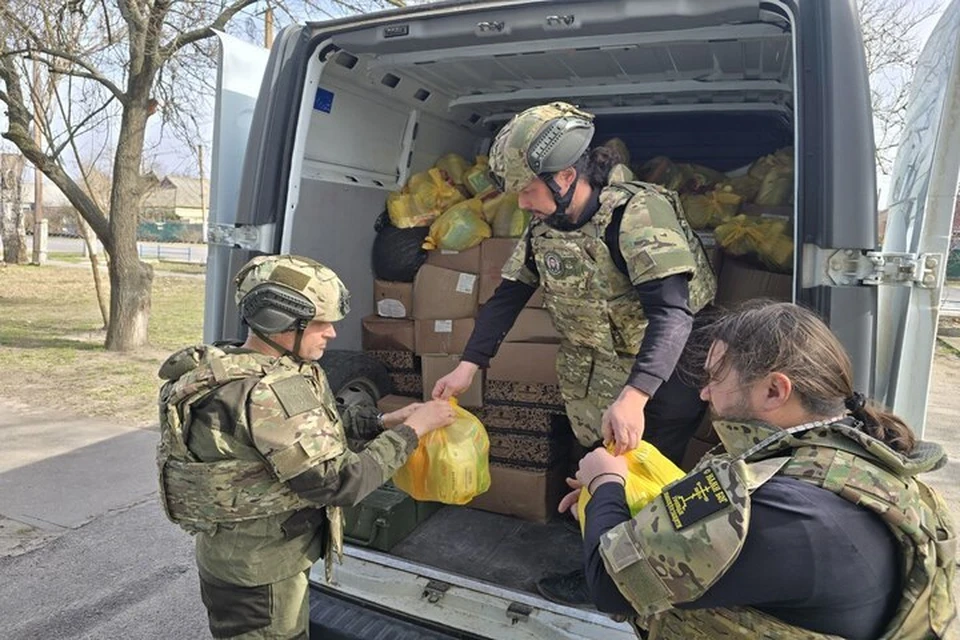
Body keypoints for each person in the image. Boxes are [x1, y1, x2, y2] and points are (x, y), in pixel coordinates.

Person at [431, 101, 717, 605]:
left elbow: (673, 315)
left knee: (640, 476)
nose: (521, 202)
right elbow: (508, 296)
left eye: (528, 189)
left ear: (566, 175)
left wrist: (635, 397)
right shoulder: (545, 224)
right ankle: (597, 560)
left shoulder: (637, 214)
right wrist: (467, 366)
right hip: (594, 363)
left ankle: (633, 584)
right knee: (591, 461)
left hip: (662, 368)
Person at [566, 301, 957, 639]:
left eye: (715, 377)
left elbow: (612, 583)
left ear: (774, 390)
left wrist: (605, 480)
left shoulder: (783, 511)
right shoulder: (845, 457)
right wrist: (610, 503)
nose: (705, 393)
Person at [156, 254, 456, 639]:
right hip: (259, 575)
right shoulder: (268, 392)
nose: (331, 333)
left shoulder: (241, 364)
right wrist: (412, 431)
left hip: (245, 558)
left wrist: (383, 422)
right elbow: (340, 482)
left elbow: (308, 432)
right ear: (276, 319)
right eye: (319, 323)